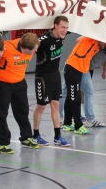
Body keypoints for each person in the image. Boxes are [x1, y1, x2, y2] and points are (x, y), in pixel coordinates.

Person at [0, 33, 40, 154]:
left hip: (19, 82)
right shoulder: (6, 47)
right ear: (25, 49)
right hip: (2, 83)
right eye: (34, 50)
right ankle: (2, 142)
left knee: (23, 111)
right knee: (1, 113)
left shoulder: (31, 44)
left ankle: (26, 137)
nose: (36, 51)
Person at [32, 16, 70, 147]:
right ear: (55, 26)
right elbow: (27, 47)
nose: (65, 30)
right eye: (62, 27)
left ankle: (58, 136)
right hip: (42, 77)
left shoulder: (63, 36)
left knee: (56, 105)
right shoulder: (43, 40)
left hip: (55, 75)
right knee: (41, 106)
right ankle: (36, 135)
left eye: (66, 28)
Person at [62, 36, 106, 134]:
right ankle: (78, 126)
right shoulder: (91, 39)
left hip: (80, 70)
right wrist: (93, 35)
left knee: (71, 97)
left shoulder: (98, 47)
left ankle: (67, 123)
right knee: (75, 98)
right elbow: (78, 39)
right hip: (72, 68)